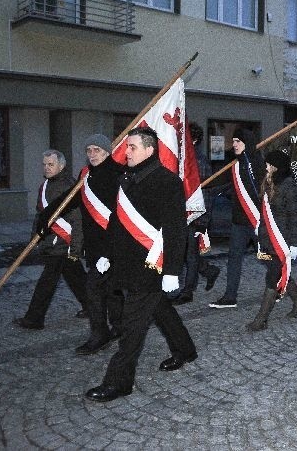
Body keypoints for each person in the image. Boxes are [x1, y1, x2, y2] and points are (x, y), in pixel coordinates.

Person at [85, 127, 197, 403]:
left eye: (132, 147)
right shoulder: (126, 178)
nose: (127, 152)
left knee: (132, 325)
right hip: (126, 264)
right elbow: (117, 222)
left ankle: (119, 382)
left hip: (151, 267)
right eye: (127, 147)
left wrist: (172, 270)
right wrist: (105, 254)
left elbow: (175, 229)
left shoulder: (167, 181)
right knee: (159, 309)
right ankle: (185, 349)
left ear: (149, 149)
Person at [37, 135, 125, 355]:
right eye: (89, 150)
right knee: (112, 289)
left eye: (97, 149)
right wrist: (46, 217)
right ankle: (121, 326)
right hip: (94, 244)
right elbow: (71, 198)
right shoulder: (87, 175)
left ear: (107, 151)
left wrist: (108, 251)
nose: (92, 154)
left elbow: (120, 216)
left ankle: (100, 334)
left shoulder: (116, 175)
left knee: (93, 289)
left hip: (112, 245)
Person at [14, 149, 88, 330]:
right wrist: (35, 238)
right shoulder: (45, 185)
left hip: (63, 244)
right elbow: (41, 215)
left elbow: (78, 219)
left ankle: (34, 319)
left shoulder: (69, 186)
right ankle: (93, 307)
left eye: (51, 164)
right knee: (77, 279)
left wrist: (76, 249)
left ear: (61, 166)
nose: (46, 168)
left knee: (46, 283)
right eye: (44, 164)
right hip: (52, 242)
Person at [246, 150, 297, 330]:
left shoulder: (289, 186)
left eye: (269, 164)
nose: (266, 167)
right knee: (280, 272)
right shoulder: (268, 182)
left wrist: (295, 243)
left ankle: (261, 319)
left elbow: (295, 216)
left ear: (276, 166)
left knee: (272, 276)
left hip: (282, 239)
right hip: (268, 237)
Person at [208, 128, 266, 309]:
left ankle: (285, 286)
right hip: (239, 222)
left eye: (237, 141)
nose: (233, 144)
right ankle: (230, 296)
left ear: (246, 143)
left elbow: (263, 191)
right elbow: (218, 182)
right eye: (233, 141)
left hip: (257, 219)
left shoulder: (256, 163)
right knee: (234, 258)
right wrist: (197, 186)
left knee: (269, 257)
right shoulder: (235, 164)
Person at [170, 122, 220, 305]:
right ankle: (209, 271)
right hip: (178, 214)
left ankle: (188, 291)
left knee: (190, 254)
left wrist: (202, 219)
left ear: (195, 140)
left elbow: (206, 192)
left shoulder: (199, 161)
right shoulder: (180, 159)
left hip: (194, 215)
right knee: (183, 253)